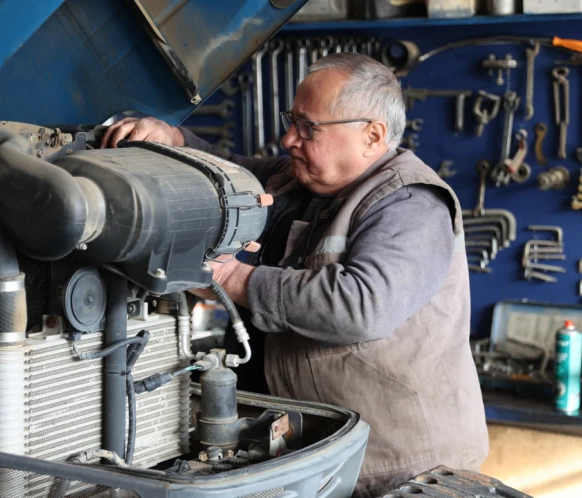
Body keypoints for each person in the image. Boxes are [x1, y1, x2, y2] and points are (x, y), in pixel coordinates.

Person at [100, 52, 489, 496]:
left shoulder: (411, 205)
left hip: (397, 467)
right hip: (318, 453)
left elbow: (360, 306)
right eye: (292, 121)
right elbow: (225, 171)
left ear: (372, 135)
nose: (289, 139)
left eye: (308, 128)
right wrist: (173, 138)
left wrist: (233, 279)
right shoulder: (295, 181)